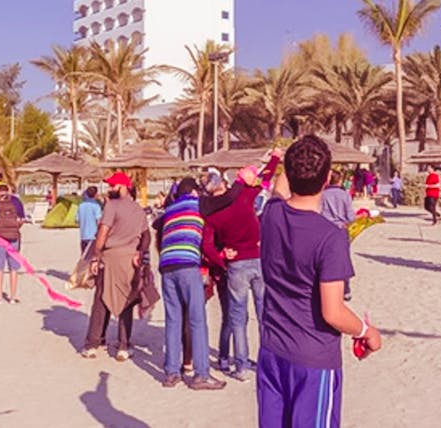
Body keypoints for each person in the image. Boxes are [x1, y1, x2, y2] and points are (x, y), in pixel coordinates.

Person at [258, 135, 381, 428]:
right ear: (327, 179)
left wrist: (286, 160)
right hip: (312, 358)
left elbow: (279, 189)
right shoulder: (330, 237)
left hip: (272, 350)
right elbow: (333, 312)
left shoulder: (271, 214)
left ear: (288, 173)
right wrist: (367, 331)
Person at [202, 150, 281, 382]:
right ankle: (268, 363)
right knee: (264, 312)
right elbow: (266, 179)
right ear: (224, 184)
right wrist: (275, 157)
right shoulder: (243, 196)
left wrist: (221, 257)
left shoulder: (211, 214)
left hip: (235, 264)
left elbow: (206, 246)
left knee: (238, 316)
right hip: (258, 257)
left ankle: (242, 366)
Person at [157, 177, 227, 390]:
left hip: (167, 266)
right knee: (197, 320)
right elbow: (229, 198)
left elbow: (156, 225)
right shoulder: (199, 204)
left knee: (173, 320)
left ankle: (171, 373)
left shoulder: (170, 209)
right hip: (187, 264)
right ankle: (202, 374)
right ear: (195, 192)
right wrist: (243, 182)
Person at [82, 172, 150, 362]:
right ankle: (123, 345)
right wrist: (140, 254)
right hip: (130, 260)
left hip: (110, 257)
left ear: (123, 186)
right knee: (126, 301)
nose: (110, 189)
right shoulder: (139, 209)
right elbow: (147, 236)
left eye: (113, 186)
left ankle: (92, 344)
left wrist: (95, 257)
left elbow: (102, 233)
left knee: (101, 299)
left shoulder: (111, 206)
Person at [0, 184, 25, 304]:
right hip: (13, 236)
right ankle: (13, 297)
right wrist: (16, 228)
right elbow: (22, 219)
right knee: (14, 268)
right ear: (8, 191)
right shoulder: (16, 201)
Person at [320, 170, 356, 301]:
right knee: (343, 259)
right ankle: (346, 289)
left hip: (325, 229)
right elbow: (350, 216)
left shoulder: (322, 195)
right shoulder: (344, 195)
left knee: (324, 260)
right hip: (340, 229)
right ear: (340, 181)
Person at [77, 186, 102, 253]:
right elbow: (99, 220)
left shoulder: (80, 206)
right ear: (95, 194)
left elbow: (77, 220)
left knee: (84, 257)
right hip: (93, 236)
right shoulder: (96, 206)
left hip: (83, 236)